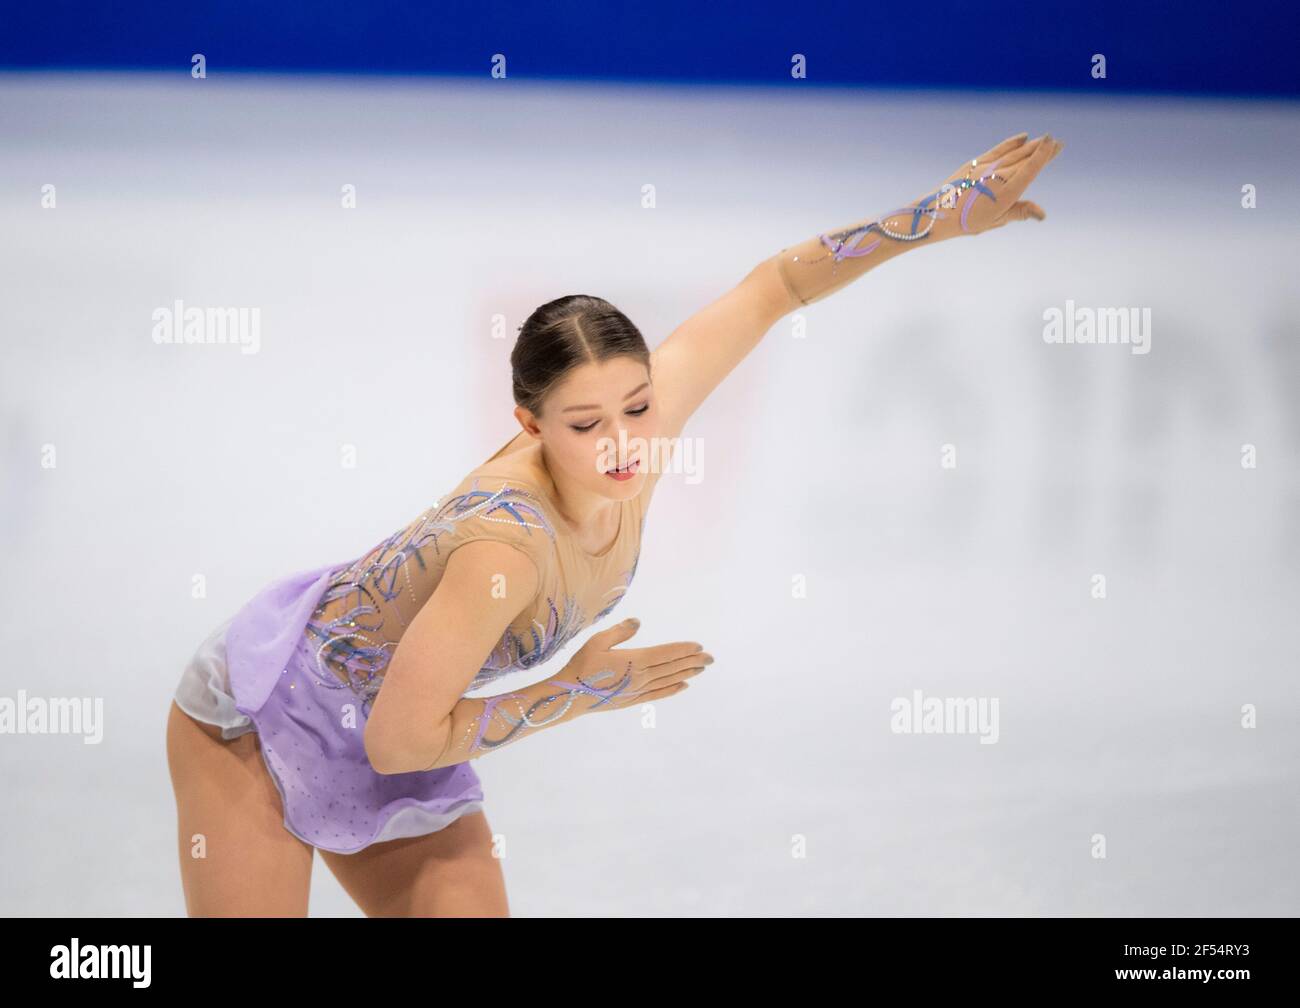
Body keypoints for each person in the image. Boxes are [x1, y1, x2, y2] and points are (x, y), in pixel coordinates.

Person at [165, 132, 1063, 916]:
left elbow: (776, 285)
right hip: (264, 715)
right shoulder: (500, 552)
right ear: (530, 426)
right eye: (587, 426)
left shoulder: (644, 427)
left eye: (637, 407)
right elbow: (400, 739)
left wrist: (936, 216)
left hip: (404, 717)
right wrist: (584, 689)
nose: (627, 445)